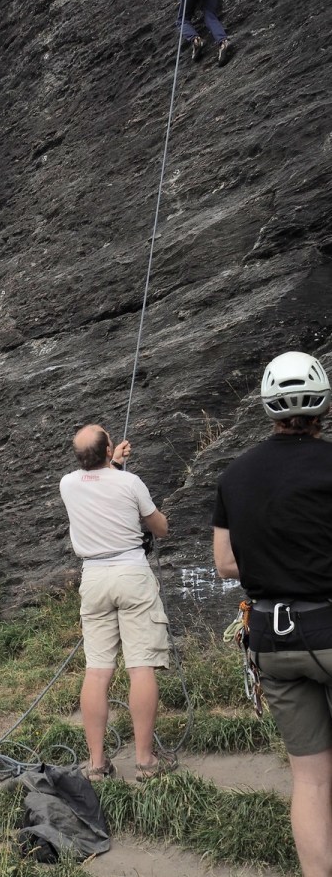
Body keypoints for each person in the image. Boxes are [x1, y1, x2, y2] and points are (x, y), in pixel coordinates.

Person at [213, 351, 332, 877]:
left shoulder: (235, 476)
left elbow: (224, 564)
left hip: (271, 637)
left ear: (267, 406)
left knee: (310, 778)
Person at [59, 425, 175, 781]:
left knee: (97, 670)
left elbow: (98, 483)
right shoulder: (129, 482)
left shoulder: (68, 484)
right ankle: (145, 761)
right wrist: (121, 469)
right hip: (131, 573)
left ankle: (96, 764)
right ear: (108, 449)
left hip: (93, 578)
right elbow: (160, 528)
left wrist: (114, 464)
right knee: (140, 666)